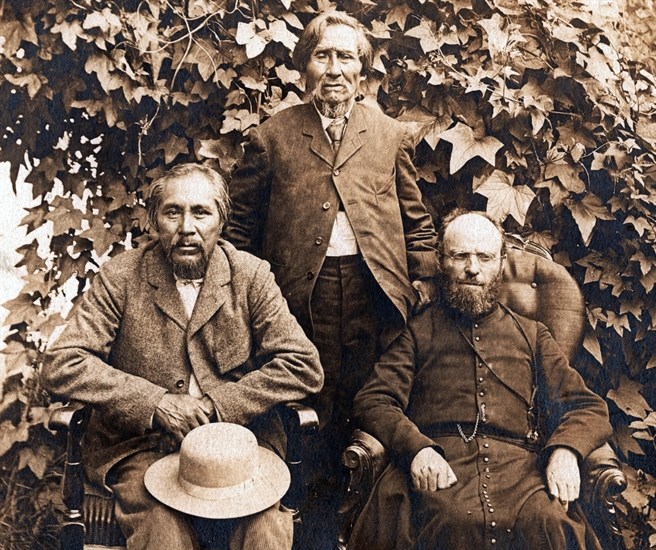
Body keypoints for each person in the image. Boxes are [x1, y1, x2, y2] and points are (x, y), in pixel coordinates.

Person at [42, 163, 323, 550]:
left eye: (201, 212)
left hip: (239, 449)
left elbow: (302, 365)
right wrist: (153, 402)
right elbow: (63, 362)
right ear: (155, 221)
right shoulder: (121, 277)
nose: (186, 227)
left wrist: (220, 405)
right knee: (163, 531)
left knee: (263, 530)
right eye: (173, 212)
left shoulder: (250, 276)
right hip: (143, 448)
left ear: (221, 221)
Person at [224, 9, 439, 479]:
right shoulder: (272, 137)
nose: (335, 70)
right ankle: (308, 519)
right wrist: (241, 297)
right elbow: (238, 230)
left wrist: (422, 282)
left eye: (346, 57)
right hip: (300, 299)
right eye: (323, 56)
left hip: (376, 296)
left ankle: (361, 523)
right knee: (309, 409)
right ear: (305, 67)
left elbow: (415, 219)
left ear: (362, 69)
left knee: (369, 407)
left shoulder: (389, 135)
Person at [349, 210, 613, 550]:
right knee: (451, 522)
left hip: (521, 472)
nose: (472, 269)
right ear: (441, 261)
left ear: (500, 264)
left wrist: (566, 450)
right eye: (460, 256)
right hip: (439, 465)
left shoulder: (533, 334)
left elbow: (586, 405)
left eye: (484, 257)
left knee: (548, 522)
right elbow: (374, 399)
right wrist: (417, 449)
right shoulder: (417, 332)